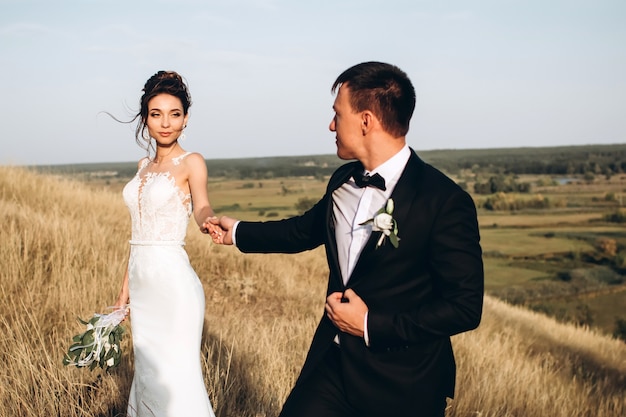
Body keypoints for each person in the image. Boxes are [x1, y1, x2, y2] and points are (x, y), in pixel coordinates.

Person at [207, 61, 484, 417]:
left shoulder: (444, 201)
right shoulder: (342, 181)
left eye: (338, 114)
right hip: (333, 365)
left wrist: (370, 324)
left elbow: (464, 306)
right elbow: (304, 230)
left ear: (366, 120)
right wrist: (239, 232)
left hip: (404, 383)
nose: (331, 125)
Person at [112, 71, 216, 417]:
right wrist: (125, 289)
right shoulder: (142, 166)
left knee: (176, 379)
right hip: (142, 286)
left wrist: (208, 222)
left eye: (174, 114)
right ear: (146, 119)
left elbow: (201, 206)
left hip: (174, 286)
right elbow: (137, 233)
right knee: (148, 376)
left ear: (185, 119)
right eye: (156, 114)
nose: (166, 123)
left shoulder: (191, 162)